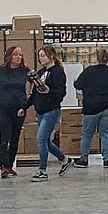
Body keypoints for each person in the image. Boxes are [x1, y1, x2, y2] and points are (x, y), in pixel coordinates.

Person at [0, 46, 31, 179]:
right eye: (16, 55)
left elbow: (34, 80)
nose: (18, 57)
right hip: (4, 107)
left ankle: (10, 165)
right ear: (10, 56)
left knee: (15, 139)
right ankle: (3, 165)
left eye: (20, 55)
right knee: (5, 138)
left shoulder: (25, 71)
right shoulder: (1, 70)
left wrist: (29, 94)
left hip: (20, 107)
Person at [73, 48, 108, 167]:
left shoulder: (88, 71)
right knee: (106, 134)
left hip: (91, 107)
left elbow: (78, 85)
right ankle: (107, 159)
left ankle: (84, 159)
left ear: (96, 58)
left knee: (87, 134)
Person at [29, 45, 73, 181]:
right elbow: (35, 93)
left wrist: (50, 91)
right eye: (40, 56)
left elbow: (61, 93)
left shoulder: (57, 72)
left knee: (41, 139)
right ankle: (65, 160)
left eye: (43, 55)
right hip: (40, 111)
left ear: (51, 56)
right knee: (46, 141)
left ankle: (42, 170)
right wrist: (24, 106)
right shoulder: (41, 72)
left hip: (51, 110)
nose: (41, 58)